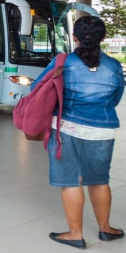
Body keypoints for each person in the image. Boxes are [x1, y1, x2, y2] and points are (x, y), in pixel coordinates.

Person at [32, 16, 124, 249]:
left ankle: (75, 234)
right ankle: (106, 229)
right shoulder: (114, 66)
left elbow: (37, 88)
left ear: (74, 37)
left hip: (66, 129)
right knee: (99, 180)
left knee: (71, 181)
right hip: (102, 131)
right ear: (102, 37)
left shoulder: (63, 62)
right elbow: (115, 99)